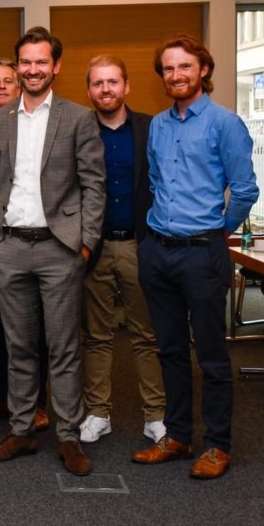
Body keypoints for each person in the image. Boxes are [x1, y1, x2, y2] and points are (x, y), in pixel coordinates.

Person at [0, 27, 105, 477]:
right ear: (18, 67)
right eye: (26, 62)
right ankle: (22, 430)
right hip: (9, 247)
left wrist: (85, 243)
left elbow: (94, 185)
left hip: (60, 248)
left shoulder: (79, 118)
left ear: (56, 66)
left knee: (64, 347)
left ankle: (68, 436)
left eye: (41, 62)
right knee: (19, 347)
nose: (32, 70)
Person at [131, 35, 258, 480]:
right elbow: (155, 182)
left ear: (203, 69)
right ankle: (178, 436)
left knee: (211, 355)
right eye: (168, 68)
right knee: (169, 351)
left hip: (203, 254)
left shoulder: (225, 123)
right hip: (158, 252)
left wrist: (218, 230)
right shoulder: (159, 125)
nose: (176, 75)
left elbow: (245, 189)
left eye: (185, 66)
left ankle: (218, 444)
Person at [80, 55, 166, 444]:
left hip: (139, 244)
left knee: (146, 335)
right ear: (89, 90)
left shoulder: (151, 128)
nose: (106, 89)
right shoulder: (79, 130)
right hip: (93, 248)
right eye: (98, 83)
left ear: (126, 86)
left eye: (112, 81)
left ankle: (156, 415)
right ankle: (98, 413)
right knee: (95, 336)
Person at [0, 59, 51, 433]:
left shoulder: (33, 125)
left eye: (9, 80)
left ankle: (36, 402)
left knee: (33, 326)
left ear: (19, 86)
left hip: (30, 240)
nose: (2, 86)